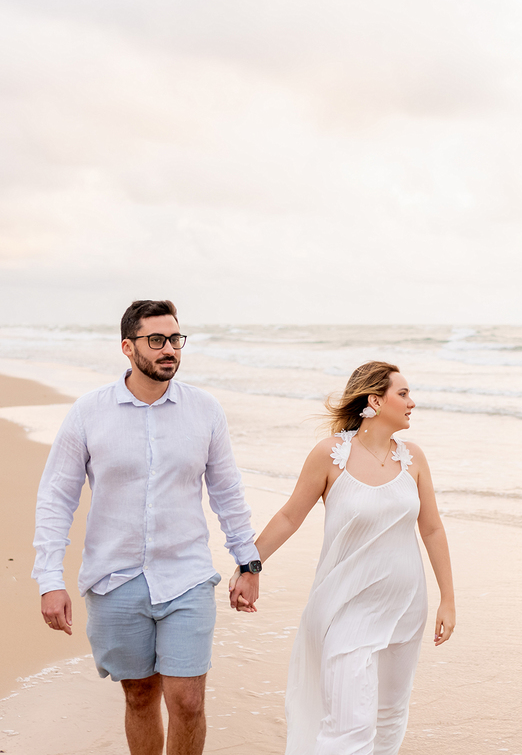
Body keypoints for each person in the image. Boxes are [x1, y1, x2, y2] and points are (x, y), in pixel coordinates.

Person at [33, 299, 261, 755]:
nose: (169, 349)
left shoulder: (205, 410)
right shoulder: (88, 412)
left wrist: (248, 562)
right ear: (127, 347)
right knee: (139, 695)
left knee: (188, 701)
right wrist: (49, 580)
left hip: (187, 577)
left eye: (175, 339)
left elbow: (227, 492)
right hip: (114, 579)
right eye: (156, 340)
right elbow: (56, 498)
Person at [228, 361, 455, 755]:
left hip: (405, 607)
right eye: (403, 394)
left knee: (388, 717)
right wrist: (250, 566)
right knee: (348, 727)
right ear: (375, 401)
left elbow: (432, 529)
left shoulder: (413, 458)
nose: (412, 402)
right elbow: (289, 517)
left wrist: (447, 599)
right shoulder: (331, 454)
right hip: (346, 607)